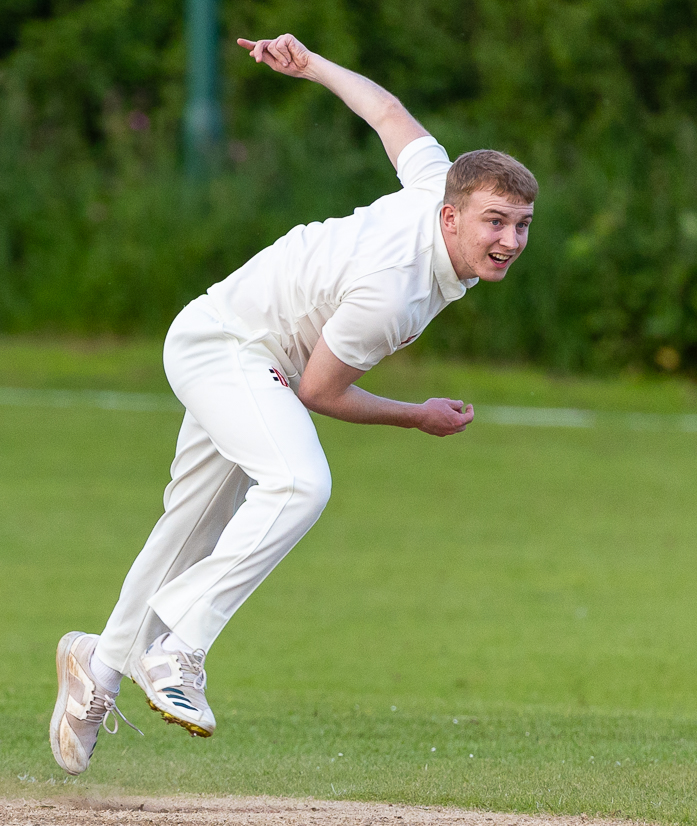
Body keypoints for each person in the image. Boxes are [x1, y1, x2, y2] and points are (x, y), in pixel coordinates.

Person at [47, 33, 538, 775]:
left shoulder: (436, 182)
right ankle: (176, 649)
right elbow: (319, 391)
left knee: (191, 527)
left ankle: (97, 667)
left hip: (242, 345)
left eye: (521, 225)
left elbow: (388, 111)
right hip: (229, 349)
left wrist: (311, 65)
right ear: (451, 217)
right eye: (494, 222)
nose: (508, 240)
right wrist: (418, 415)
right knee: (301, 484)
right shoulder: (396, 290)